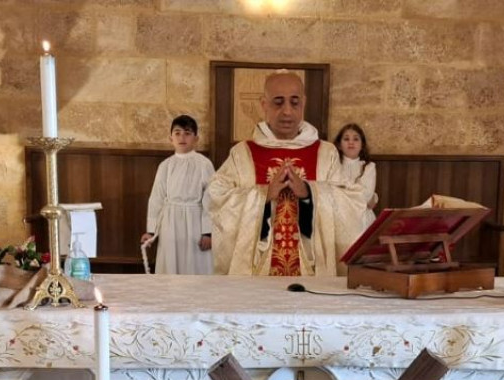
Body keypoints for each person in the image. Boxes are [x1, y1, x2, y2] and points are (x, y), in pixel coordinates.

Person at [207, 71, 366, 276]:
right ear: (264, 104)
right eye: (278, 102)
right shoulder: (243, 154)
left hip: (312, 270)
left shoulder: (326, 153)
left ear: (304, 103)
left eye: (294, 102)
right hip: (257, 271)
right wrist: (264, 194)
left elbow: (353, 200)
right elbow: (216, 197)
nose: (287, 111)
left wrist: (310, 191)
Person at [141, 115, 215, 275]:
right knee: (171, 264)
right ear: (171, 138)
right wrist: (151, 231)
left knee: (195, 265)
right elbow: (156, 198)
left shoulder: (204, 164)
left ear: (196, 138)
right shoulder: (165, 166)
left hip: (195, 222)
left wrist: (207, 232)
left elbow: (210, 199)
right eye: (177, 133)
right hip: (170, 222)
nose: (182, 137)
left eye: (187, 133)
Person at [335, 123, 378, 228]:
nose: (351, 142)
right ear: (339, 145)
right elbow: (333, 194)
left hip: (363, 220)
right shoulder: (334, 166)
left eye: (355, 139)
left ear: (362, 145)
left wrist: (344, 190)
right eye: (346, 139)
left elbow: (366, 196)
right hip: (339, 218)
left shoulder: (368, 167)